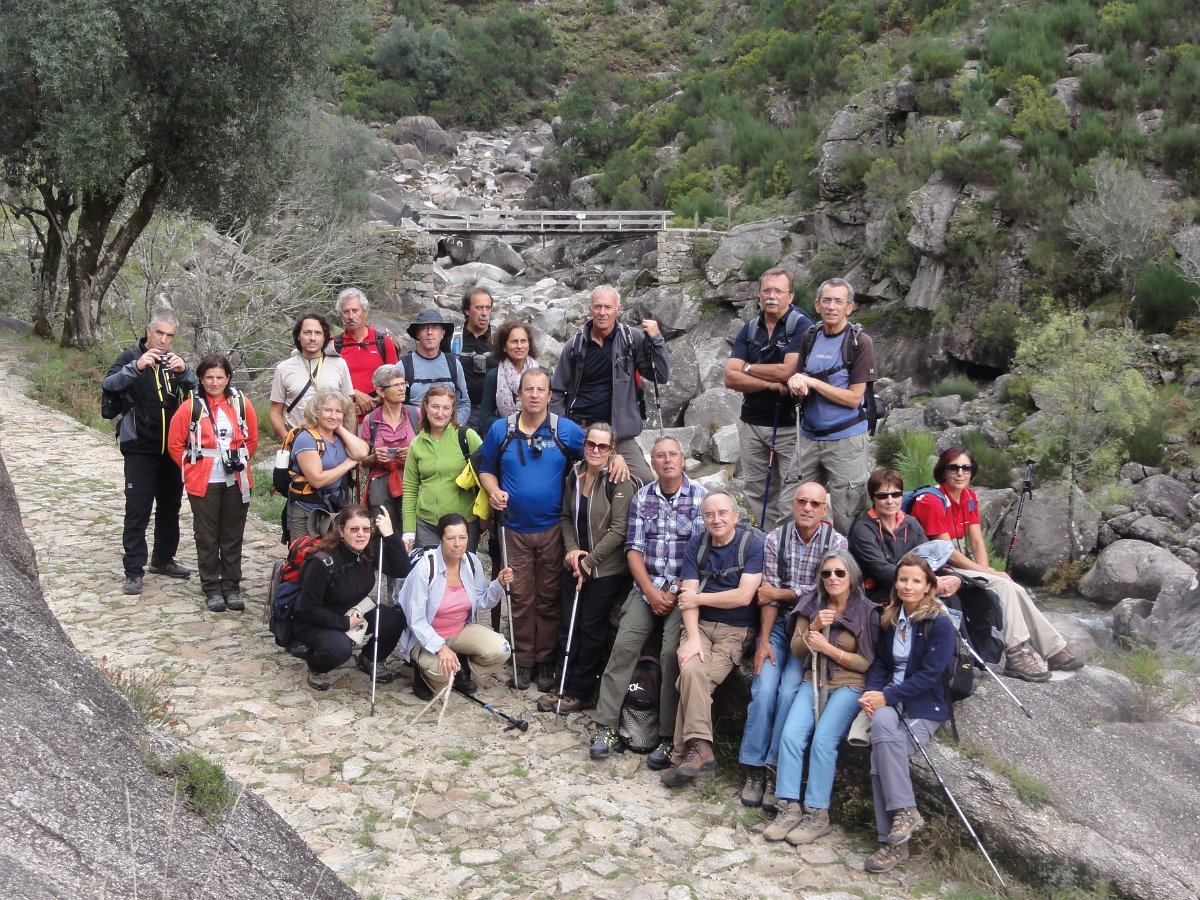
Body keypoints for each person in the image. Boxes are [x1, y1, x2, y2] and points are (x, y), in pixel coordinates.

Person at [910, 447, 1083, 681]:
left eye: (966, 468)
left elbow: (977, 541)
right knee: (1003, 586)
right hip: (940, 566)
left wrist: (986, 572)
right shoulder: (931, 502)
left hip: (962, 562)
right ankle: (1016, 654)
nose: (960, 473)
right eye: (954, 468)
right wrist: (986, 575)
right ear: (943, 471)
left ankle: (1054, 649)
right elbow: (947, 553)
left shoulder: (969, 497)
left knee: (1014, 587)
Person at [589, 436, 707, 765]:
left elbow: (699, 554)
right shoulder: (643, 497)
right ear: (652, 463)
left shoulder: (699, 498)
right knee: (625, 643)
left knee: (672, 651)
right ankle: (606, 726)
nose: (667, 460)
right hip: (646, 588)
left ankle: (668, 736)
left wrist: (673, 591)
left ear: (682, 460)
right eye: (660, 456)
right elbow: (634, 550)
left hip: (683, 589)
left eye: (673, 454)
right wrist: (652, 591)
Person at [737, 483, 847, 809]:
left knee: (789, 693)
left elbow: (822, 594)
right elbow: (766, 595)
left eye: (815, 503)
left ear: (824, 510)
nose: (808, 508)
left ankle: (774, 768)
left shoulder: (836, 544)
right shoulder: (775, 538)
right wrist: (763, 641)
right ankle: (754, 767)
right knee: (764, 688)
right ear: (793, 503)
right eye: (802, 501)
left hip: (810, 630)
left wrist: (785, 593)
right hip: (779, 626)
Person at [478, 369, 586, 691]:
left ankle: (546, 662)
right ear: (519, 394)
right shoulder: (501, 430)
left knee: (550, 597)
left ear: (550, 394)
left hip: (554, 528)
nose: (535, 395)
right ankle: (523, 661)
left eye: (541, 389)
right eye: (528, 389)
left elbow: (595, 453)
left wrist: (618, 459)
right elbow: (485, 469)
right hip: (512, 529)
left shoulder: (564, 430)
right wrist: (493, 490)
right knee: (522, 597)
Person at [764, 551, 875, 844]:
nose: (833, 579)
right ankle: (788, 805)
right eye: (826, 574)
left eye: (839, 573)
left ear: (852, 576)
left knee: (823, 740)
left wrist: (829, 649)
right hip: (812, 680)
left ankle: (817, 812)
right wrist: (812, 628)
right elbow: (798, 652)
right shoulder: (811, 604)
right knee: (790, 736)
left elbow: (866, 663)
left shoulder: (866, 611)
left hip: (849, 685)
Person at [858, 553, 956, 874]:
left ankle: (892, 845)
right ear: (895, 583)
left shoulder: (939, 623)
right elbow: (881, 664)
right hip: (890, 701)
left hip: (923, 704)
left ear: (929, 585)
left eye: (916, 580)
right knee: (883, 728)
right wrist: (873, 694)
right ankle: (905, 815)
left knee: (880, 761)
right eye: (903, 579)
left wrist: (887, 695)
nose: (908, 586)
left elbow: (930, 675)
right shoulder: (890, 618)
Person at [660, 491, 764, 789]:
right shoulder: (698, 543)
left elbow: (743, 596)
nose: (716, 519)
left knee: (694, 678)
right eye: (709, 515)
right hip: (701, 626)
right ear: (703, 519)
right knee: (692, 669)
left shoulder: (751, 545)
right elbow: (686, 600)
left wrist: (699, 597)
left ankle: (683, 754)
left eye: (722, 513)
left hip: (737, 631)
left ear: (735, 515)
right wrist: (692, 638)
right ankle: (700, 750)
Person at [537, 422, 635, 714]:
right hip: (577, 562)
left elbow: (619, 530)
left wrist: (589, 561)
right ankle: (562, 679)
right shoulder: (575, 474)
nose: (595, 450)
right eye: (591, 444)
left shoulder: (619, 480)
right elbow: (566, 516)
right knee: (569, 623)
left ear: (611, 450)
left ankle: (579, 690)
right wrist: (572, 553)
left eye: (603, 446)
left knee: (591, 628)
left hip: (606, 570)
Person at [102, 310, 198, 595]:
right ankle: (134, 570)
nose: (164, 340)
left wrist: (186, 372)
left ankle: (163, 559)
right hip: (139, 448)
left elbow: (198, 391)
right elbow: (109, 384)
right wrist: (136, 366)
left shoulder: (174, 363)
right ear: (149, 331)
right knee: (138, 509)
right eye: (160, 333)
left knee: (170, 507)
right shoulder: (129, 357)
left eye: (170, 335)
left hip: (173, 449)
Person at [167, 354, 259, 612]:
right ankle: (211, 587)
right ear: (201, 378)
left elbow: (251, 440)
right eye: (209, 377)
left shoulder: (241, 403)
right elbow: (175, 444)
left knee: (232, 535)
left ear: (228, 378)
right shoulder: (190, 407)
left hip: (236, 477)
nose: (215, 382)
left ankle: (232, 586)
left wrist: (236, 459)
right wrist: (192, 468)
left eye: (220, 377)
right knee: (207, 536)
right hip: (204, 479)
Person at [550, 284, 668, 486]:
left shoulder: (632, 339)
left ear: (618, 310)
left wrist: (656, 339)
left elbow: (660, 375)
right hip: (582, 430)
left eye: (607, 307)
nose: (602, 313)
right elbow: (557, 392)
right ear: (590, 309)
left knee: (643, 480)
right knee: (570, 480)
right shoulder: (575, 346)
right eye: (597, 307)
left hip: (620, 434)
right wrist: (562, 428)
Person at [724, 268, 813, 529]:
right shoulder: (750, 329)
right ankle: (765, 538)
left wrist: (748, 367)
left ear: (791, 296)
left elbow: (788, 371)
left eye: (778, 291)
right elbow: (730, 378)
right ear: (759, 295)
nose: (771, 296)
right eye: (766, 290)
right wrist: (770, 384)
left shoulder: (802, 326)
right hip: (752, 422)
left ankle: (788, 540)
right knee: (756, 488)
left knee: (790, 489)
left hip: (788, 425)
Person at [787, 278, 876, 534]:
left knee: (848, 516)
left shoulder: (860, 343)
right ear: (817, 305)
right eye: (826, 300)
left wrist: (812, 383)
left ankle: (848, 571)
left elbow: (853, 398)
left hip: (846, 441)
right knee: (792, 507)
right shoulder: (810, 337)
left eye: (839, 301)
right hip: (809, 437)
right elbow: (803, 378)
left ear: (850, 307)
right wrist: (798, 384)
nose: (832, 306)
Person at [294, 505, 412, 692]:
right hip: (318, 620)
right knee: (340, 650)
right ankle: (316, 666)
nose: (361, 535)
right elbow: (308, 610)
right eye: (354, 529)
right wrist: (344, 623)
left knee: (395, 618)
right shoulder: (321, 562)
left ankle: (370, 658)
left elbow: (402, 569)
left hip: (355, 610)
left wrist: (390, 535)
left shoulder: (367, 550)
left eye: (366, 529)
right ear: (341, 530)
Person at [398, 513, 514, 700]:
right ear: (440, 540)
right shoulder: (425, 568)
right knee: (442, 676)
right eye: (451, 538)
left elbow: (483, 600)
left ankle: (461, 670)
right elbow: (415, 619)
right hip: (427, 637)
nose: (457, 543)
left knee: (503, 649)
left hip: (460, 631)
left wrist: (498, 583)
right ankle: (422, 674)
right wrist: (440, 647)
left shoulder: (471, 562)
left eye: (462, 537)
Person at [401, 386, 484, 552]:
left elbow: (487, 473)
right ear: (425, 406)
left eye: (446, 408)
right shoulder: (416, 444)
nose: (440, 413)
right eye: (435, 406)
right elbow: (410, 488)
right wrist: (409, 531)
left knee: (461, 575)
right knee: (429, 575)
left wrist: (485, 515)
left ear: (453, 410)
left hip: (462, 524)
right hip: (427, 525)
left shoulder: (467, 437)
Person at [287, 389, 370, 541]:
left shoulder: (338, 436)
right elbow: (317, 480)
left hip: (333, 508)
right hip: (307, 510)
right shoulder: (306, 439)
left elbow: (362, 452)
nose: (333, 415)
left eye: (339, 411)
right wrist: (347, 464)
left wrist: (339, 427)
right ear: (316, 412)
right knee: (304, 559)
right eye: (328, 410)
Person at [849, 468, 931, 604]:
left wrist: (950, 577)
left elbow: (929, 557)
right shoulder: (862, 529)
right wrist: (926, 580)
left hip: (913, 586)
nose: (890, 501)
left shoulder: (912, 524)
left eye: (895, 494)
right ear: (872, 499)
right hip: (878, 593)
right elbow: (880, 569)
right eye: (882, 496)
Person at [269, 312, 354, 440]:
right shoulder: (283, 368)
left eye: (318, 333)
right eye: (307, 332)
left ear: (324, 337)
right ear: (298, 336)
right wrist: (288, 440)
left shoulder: (339, 364)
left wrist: (348, 441)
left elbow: (349, 408)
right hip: (299, 439)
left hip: (333, 440)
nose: (312, 338)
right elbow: (275, 412)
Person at [334, 288, 399, 419]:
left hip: (380, 418)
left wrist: (374, 403)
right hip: (345, 418)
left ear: (365, 312)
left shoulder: (382, 341)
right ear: (341, 316)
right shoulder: (335, 345)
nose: (351, 316)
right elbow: (328, 383)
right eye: (346, 312)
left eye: (355, 310)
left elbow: (396, 381)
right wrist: (353, 394)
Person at [402, 309, 470, 425]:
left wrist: (455, 426)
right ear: (417, 334)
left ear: (442, 333)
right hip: (415, 432)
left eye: (435, 327)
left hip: (449, 431)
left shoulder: (453, 364)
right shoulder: (403, 367)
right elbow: (396, 406)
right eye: (424, 328)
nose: (430, 332)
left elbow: (463, 402)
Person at [479, 321, 540, 436]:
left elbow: (547, 411)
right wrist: (512, 426)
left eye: (523, 341)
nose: (519, 346)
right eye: (514, 342)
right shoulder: (494, 376)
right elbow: (485, 418)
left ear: (529, 345)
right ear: (504, 347)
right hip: (505, 437)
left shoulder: (540, 374)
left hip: (537, 434)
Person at [456, 286, 498, 431]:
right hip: (462, 411)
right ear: (467, 311)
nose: (484, 313)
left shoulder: (501, 338)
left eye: (488, 308)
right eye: (479, 308)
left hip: (495, 411)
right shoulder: (453, 339)